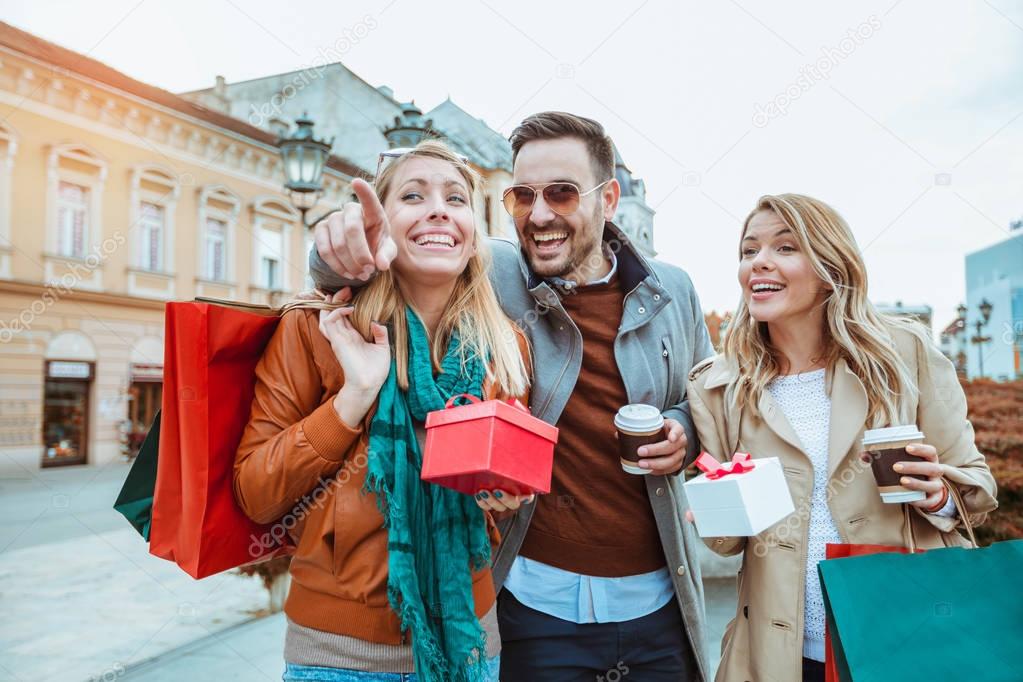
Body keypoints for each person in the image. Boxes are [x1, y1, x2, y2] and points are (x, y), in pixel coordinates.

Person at [309, 112, 714, 681]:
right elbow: (382, 262)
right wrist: (333, 249)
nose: (539, 214)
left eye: (562, 193)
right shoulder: (487, 269)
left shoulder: (673, 289)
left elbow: (707, 399)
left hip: (656, 606)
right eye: (522, 195)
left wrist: (684, 432)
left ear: (610, 198)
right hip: (532, 607)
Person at [233, 140, 531, 682]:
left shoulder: (504, 347)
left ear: (473, 233)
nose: (439, 209)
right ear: (379, 227)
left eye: (456, 198)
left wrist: (502, 497)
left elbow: (492, 508)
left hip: (471, 645)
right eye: (413, 196)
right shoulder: (318, 328)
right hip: (339, 657)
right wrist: (353, 398)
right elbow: (257, 493)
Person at [685, 193, 999, 682]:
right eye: (749, 251)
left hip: (900, 637)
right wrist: (715, 506)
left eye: (785, 248)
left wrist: (939, 494)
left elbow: (977, 491)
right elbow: (727, 544)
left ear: (831, 265)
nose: (759, 262)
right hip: (779, 656)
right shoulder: (718, 384)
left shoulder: (903, 353)